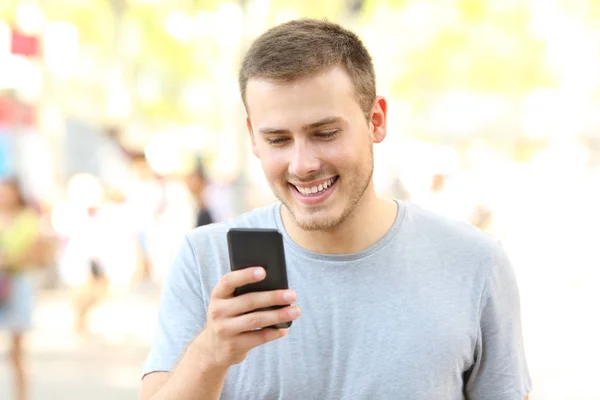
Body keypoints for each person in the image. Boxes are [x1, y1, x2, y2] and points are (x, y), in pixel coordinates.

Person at [140, 19, 531, 399]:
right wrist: (211, 353)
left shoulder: (475, 263)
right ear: (252, 139)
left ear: (376, 121)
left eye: (325, 134)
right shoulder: (205, 259)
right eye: (277, 139)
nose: (302, 164)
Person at [0, 178, 44, 400]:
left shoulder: (28, 220)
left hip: (17, 286)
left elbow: (36, 255)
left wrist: (9, 260)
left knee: (17, 350)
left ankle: (21, 396)